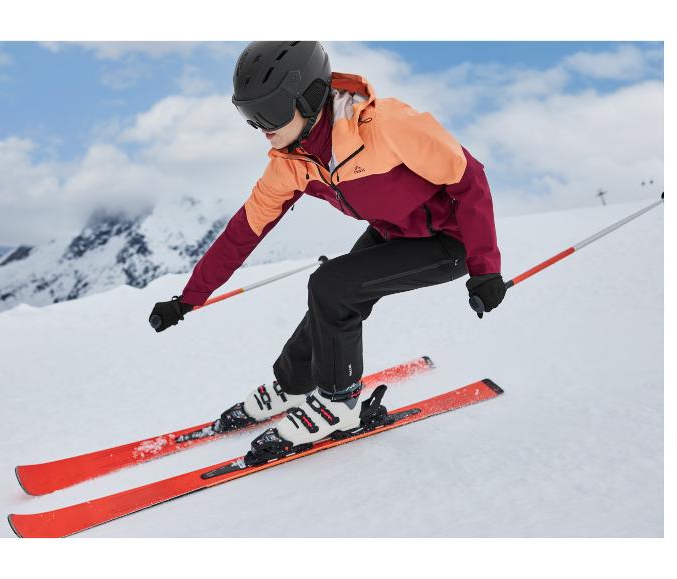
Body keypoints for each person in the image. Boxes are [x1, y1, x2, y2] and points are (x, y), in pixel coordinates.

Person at [149, 41, 506, 452]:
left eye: (270, 112)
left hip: (450, 239)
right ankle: (294, 384)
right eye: (250, 116)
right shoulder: (292, 161)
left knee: (332, 286)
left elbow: (470, 179)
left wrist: (485, 269)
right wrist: (187, 299)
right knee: (332, 298)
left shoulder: (386, 125)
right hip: (395, 232)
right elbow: (243, 232)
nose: (262, 127)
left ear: (309, 97)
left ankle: (339, 404)